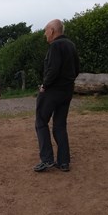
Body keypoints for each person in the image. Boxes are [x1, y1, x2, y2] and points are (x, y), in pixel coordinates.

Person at [34, 19, 79, 172]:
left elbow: (52, 70)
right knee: (60, 125)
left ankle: (46, 159)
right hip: (67, 92)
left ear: (52, 30)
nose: (45, 34)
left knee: (41, 121)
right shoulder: (71, 45)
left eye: (46, 30)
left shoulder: (55, 45)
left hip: (52, 92)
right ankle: (63, 162)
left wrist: (44, 86)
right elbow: (77, 69)